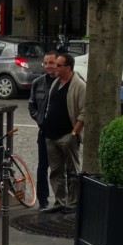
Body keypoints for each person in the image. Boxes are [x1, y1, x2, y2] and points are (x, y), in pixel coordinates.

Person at [42, 52, 86, 216]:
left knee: (72, 171)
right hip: (51, 135)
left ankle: (72, 203)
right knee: (55, 171)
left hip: (67, 136)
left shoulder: (79, 86)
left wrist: (73, 134)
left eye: (59, 65)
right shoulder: (56, 83)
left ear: (68, 67)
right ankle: (59, 202)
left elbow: (83, 113)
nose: (55, 67)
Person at [28, 52, 59, 211]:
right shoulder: (38, 83)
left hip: (61, 131)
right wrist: (39, 119)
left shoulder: (63, 82)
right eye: (46, 63)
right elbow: (31, 105)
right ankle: (43, 201)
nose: (48, 66)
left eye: (51, 63)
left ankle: (62, 200)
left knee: (60, 167)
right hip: (44, 131)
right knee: (42, 166)